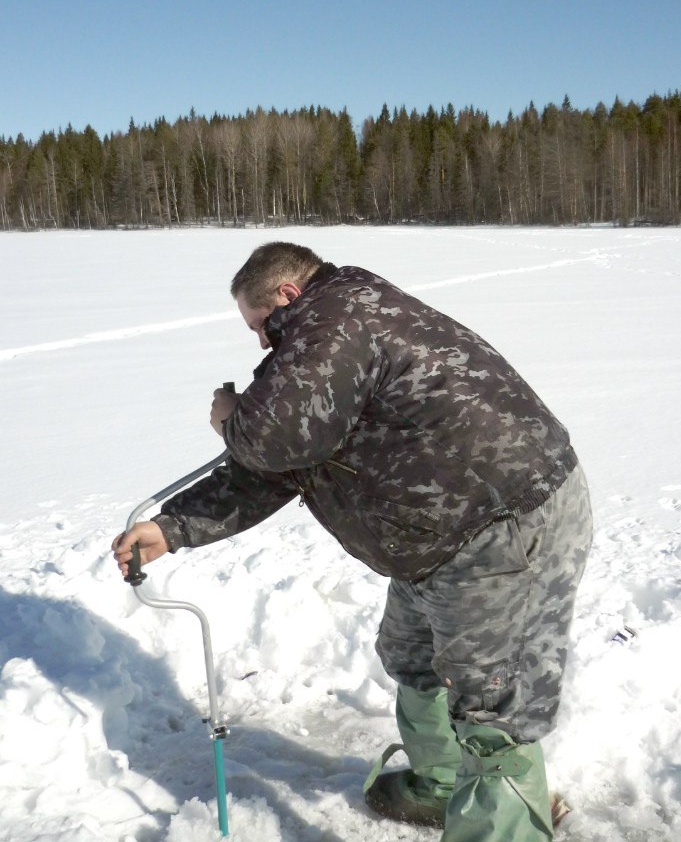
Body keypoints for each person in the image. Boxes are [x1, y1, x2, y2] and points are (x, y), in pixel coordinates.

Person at [113, 241, 592, 842]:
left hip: (505, 525)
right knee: (412, 656)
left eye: (259, 324)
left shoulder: (339, 318)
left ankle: (506, 824)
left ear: (287, 295)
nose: (260, 342)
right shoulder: (326, 340)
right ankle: (442, 786)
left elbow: (270, 439)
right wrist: (174, 526)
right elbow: (284, 464)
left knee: (490, 703)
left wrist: (231, 419)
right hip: (440, 538)